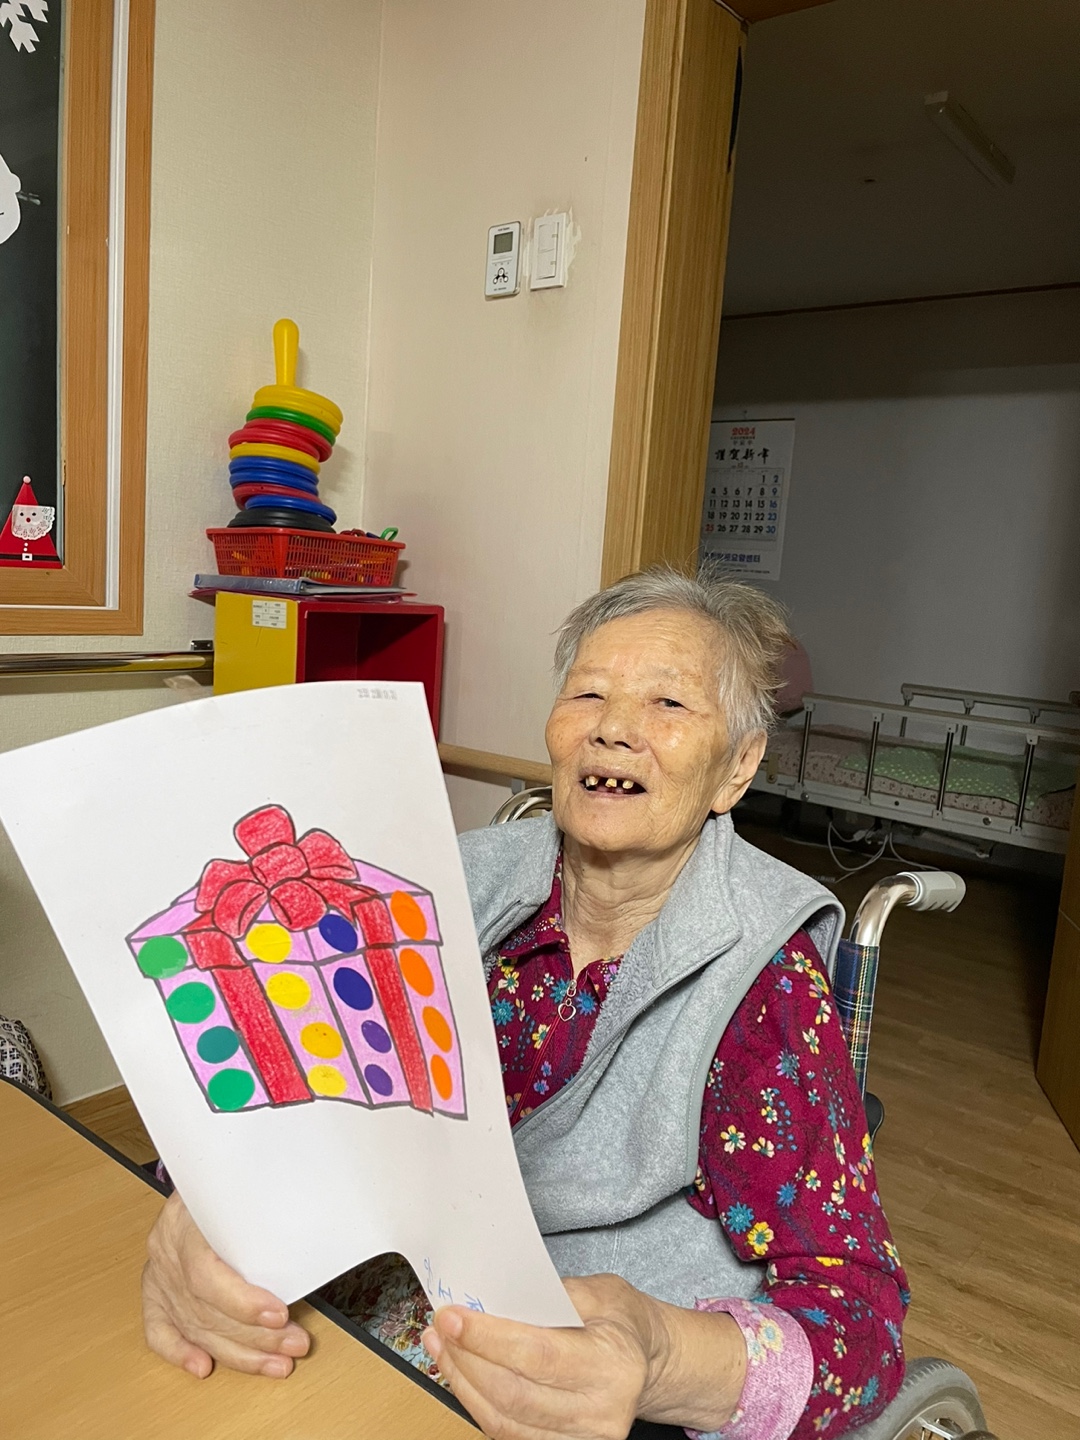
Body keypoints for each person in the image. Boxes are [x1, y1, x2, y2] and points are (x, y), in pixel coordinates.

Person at [142, 566, 908, 1440]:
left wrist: (660, 1357)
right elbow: (279, 1074)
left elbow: (862, 1325)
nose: (613, 728)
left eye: (668, 703)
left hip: (579, 1378)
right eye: (588, 693)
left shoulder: (765, 982)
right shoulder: (435, 886)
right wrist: (199, 1204)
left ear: (737, 768)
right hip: (365, 1312)